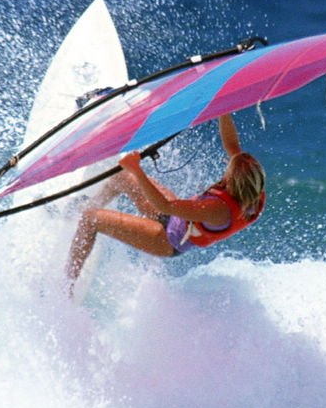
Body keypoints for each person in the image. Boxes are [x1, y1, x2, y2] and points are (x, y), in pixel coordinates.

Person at [65, 113, 266, 291]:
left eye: (227, 171)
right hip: (174, 218)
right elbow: (232, 146)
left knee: (91, 219)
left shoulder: (218, 211)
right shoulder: (250, 185)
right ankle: (86, 204)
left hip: (167, 240)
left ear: (233, 184)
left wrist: (137, 169)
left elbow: (165, 206)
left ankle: (67, 285)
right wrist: (223, 110)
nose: (225, 168)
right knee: (122, 176)